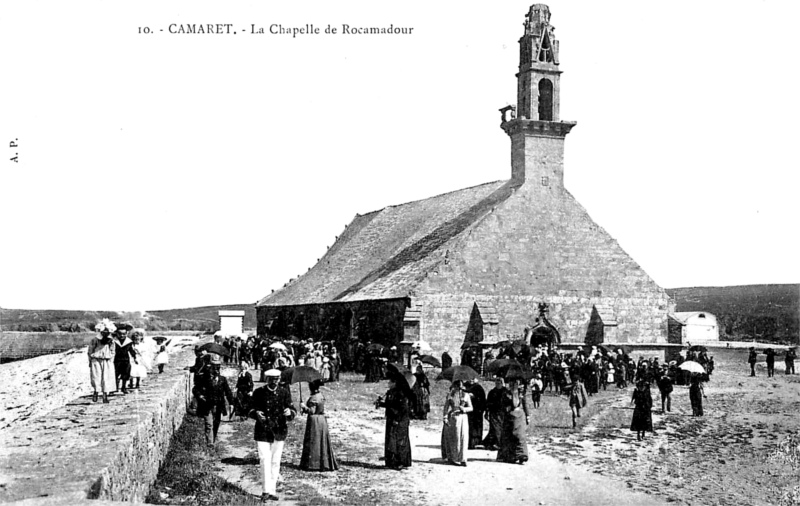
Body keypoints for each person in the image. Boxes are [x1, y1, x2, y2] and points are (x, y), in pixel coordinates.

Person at [250, 369, 297, 502]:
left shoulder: (284, 392)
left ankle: (272, 490)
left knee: (275, 461)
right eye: (271, 379)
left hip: (279, 430)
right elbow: (249, 408)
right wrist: (256, 413)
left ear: (279, 379)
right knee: (265, 459)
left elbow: (292, 410)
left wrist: (290, 412)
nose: (274, 381)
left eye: (276, 378)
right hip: (263, 430)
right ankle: (265, 491)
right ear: (266, 379)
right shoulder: (259, 392)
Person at [194, 354, 234, 447]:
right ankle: (210, 444)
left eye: (218, 367)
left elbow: (228, 391)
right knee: (209, 424)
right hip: (207, 405)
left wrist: (231, 403)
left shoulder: (222, 379)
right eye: (214, 367)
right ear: (210, 367)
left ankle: (213, 439)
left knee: (216, 423)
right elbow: (195, 389)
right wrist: (200, 396)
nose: (216, 369)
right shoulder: (204, 378)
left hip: (219, 405)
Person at [299, 379, 339, 472]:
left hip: (315, 421)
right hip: (321, 420)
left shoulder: (313, 398)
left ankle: (313, 464)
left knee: (314, 441)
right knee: (322, 441)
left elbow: (312, 411)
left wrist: (303, 407)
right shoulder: (320, 395)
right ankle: (323, 463)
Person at [375, 376, 413, 470]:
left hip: (400, 420)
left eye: (390, 382)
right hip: (391, 419)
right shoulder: (390, 392)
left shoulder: (401, 394)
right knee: (391, 440)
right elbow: (390, 405)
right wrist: (380, 403)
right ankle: (391, 461)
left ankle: (401, 461)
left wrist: (397, 419)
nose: (388, 384)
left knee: (400, 442)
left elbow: (403, 409)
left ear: (395, 383)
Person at [497, 376, 529, 464]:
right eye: (512, 383)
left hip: (519, 416)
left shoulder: (521, 393)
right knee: (509, 436)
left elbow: (525, 404)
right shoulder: (506, 393)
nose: (514, 384)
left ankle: (522, 455)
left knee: (520, 435)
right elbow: (502, 404)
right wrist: (507, 408)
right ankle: (510, 455)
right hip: (509, 416)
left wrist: (527, 415)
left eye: (516, 383)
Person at [441, 380, 472, 466]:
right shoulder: (450, 396)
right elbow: (446, 408)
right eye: (457, 387)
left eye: (460, 387)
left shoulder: (466, 396)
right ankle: (453, 457)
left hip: (463, 417)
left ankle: (462, 458)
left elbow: (471, 407)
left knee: (463, 437)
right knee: (454, 438)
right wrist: (445, 417)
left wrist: (464, 409)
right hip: (453, 417)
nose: (459, 389)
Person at [88, 319, 117, 403]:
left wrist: (111, 359)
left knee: (106, 378)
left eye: (107, 332)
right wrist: (90, 361)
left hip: (107, 361)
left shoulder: (111, 341)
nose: (105, 333)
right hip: (96, 360)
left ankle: (105, 395)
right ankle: (96, 392)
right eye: (103, 332)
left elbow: (113, 351)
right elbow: (90, 351)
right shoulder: (95, 340)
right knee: (96, 377)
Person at [482, 377, 505, 451]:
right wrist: (486, 412)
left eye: (499, 383)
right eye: (496, 383)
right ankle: (497, 443)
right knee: (495, 428)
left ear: (502, 383)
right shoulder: (492, 392)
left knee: (500, 428)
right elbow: (488, 403)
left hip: (502, 412)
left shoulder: (505, 391)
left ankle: (494, 443)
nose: (498, 384)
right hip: (493, 412)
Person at [112, 325, 135, 395]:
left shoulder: (129, 342)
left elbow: (131, 350)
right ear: (117, 334)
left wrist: (134, 356)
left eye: (124, 334)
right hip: (117, 360)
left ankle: (123, 387)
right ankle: (115, 388)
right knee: (115, 373)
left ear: (126, 334)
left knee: (125, 374)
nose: (122, 335)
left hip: (126, 360)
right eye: (120, 334)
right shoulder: (114, 341)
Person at [465, 378, 485, 449]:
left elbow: (482, 399)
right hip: (469, 411)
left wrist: (474, 396)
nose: (471, 380)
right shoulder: (465, 387)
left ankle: (476, 442)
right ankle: (469, 443)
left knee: (477, 427)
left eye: (473, 379)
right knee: (469, 427)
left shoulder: (478, 388)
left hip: (477, 411)